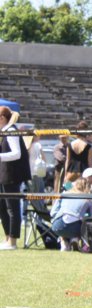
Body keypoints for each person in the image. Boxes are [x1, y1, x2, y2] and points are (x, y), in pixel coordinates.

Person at [0, 106, 30, 250]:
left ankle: (12, 242)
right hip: (3, 174)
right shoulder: (4, 132)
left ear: (2, 118)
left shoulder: (11, 131)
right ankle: (7, 238)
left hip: (11, 175)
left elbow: (16, 154)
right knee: (3, 208)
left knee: (12, 208)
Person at [50, 177, 92, 252]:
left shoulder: (64, 194)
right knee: (81, 223)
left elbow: (53, 213)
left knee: (64, 222)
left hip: (57, 226)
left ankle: (64, 242)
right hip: (76, 228)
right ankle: (75, 239)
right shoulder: (88, 199)